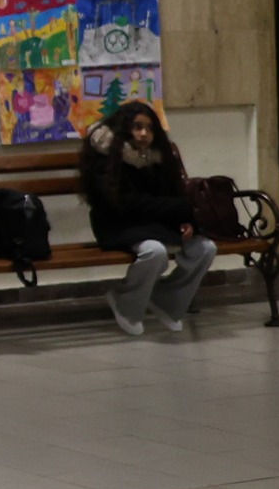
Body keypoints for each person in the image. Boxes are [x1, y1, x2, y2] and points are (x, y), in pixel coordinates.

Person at [81, 101, 215, 336]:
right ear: (125, 128)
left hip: (155, 223)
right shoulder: (106, 156)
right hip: (118, 224)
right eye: (137, 127)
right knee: (155, 252)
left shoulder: (157, 156)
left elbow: (172, 194)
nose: (144, 133)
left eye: (149, 128)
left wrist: (185, 221)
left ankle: (166, 300)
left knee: (205, 249)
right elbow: (124, 204)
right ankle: (125, 302)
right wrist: (179, 209)